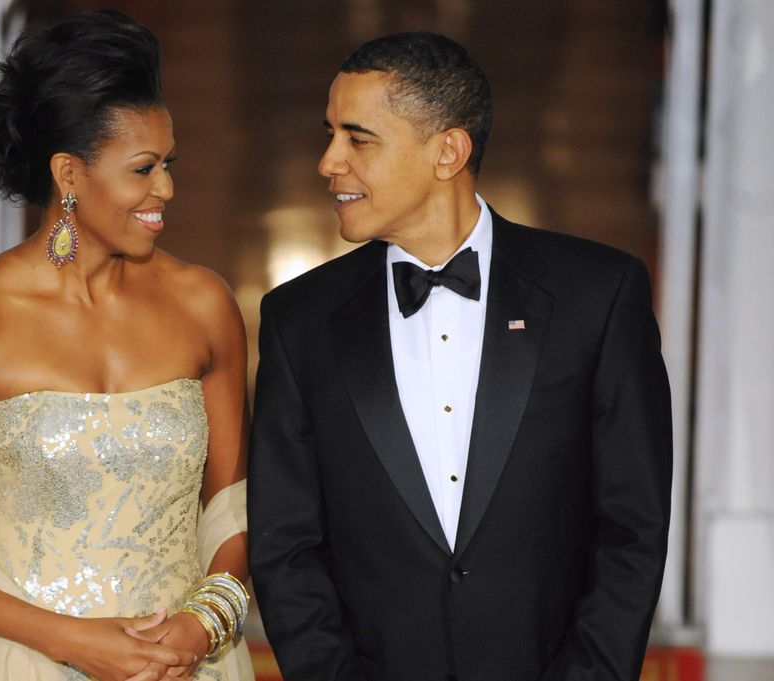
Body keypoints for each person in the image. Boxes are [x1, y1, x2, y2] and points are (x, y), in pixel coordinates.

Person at [248, 31, 672, 681]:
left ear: (448, 150)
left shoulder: (599, 294)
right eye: (329, 134)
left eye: (358, 138)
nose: (329, 160)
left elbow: (632, 526)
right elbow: (285, 546)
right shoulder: (297, 319)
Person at [0, 11, 253, 681]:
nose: (166, 189)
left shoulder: (203, 306)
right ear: (69, 174)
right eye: (144, 168)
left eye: (169, 163)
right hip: (18, 663)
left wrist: (205, 619)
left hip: (187, 665)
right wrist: (71, 639)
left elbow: (234, 504)